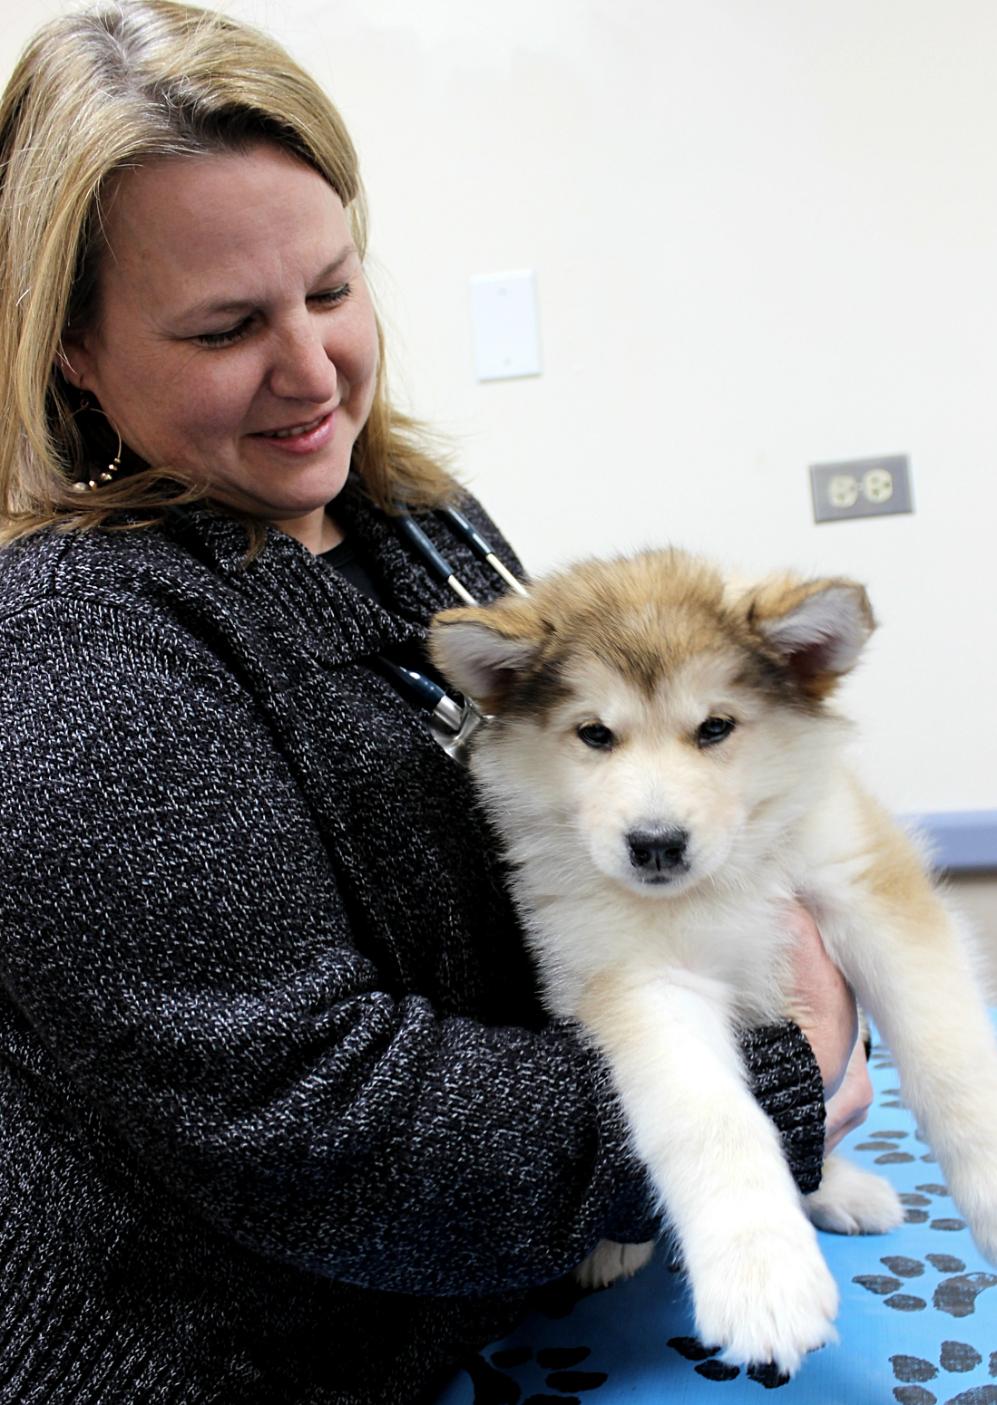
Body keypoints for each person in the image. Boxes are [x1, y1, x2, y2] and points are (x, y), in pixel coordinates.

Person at [0, 3, 871, 1401]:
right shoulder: (75, 658)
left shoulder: (414, 520)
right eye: (228, 326)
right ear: (73, 349)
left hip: (511, 1281)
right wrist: (781, 1074)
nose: (312, 373)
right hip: (250, 1361)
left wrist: (797, 956)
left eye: (332, 289)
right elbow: (321, 1124)